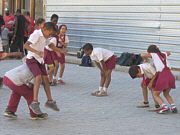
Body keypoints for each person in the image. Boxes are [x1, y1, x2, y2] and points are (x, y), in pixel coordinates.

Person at [24, 22, 68, 115]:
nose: (50, 35)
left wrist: (60, 50)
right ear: (45, 30)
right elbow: (26, 45)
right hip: (32, 59)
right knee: (38, 78)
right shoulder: (36, 35)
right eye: (50, 33)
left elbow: (51, 45)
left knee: (46, 79)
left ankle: (50, 101)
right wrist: (36, 51)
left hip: (40, 60)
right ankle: (34, 102)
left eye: (52, 34)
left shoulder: (45, 37)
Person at [141, 45, 177, 114]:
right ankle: (173, 106)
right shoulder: (163, 54)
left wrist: (146, 59)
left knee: (155, 94)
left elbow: (142, 55)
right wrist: (162, 53)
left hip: (163, 76)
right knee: (166, 93)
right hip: (170, 75)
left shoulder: (154, 55)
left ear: (150, 52)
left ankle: (164, 107)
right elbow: (169, 53)